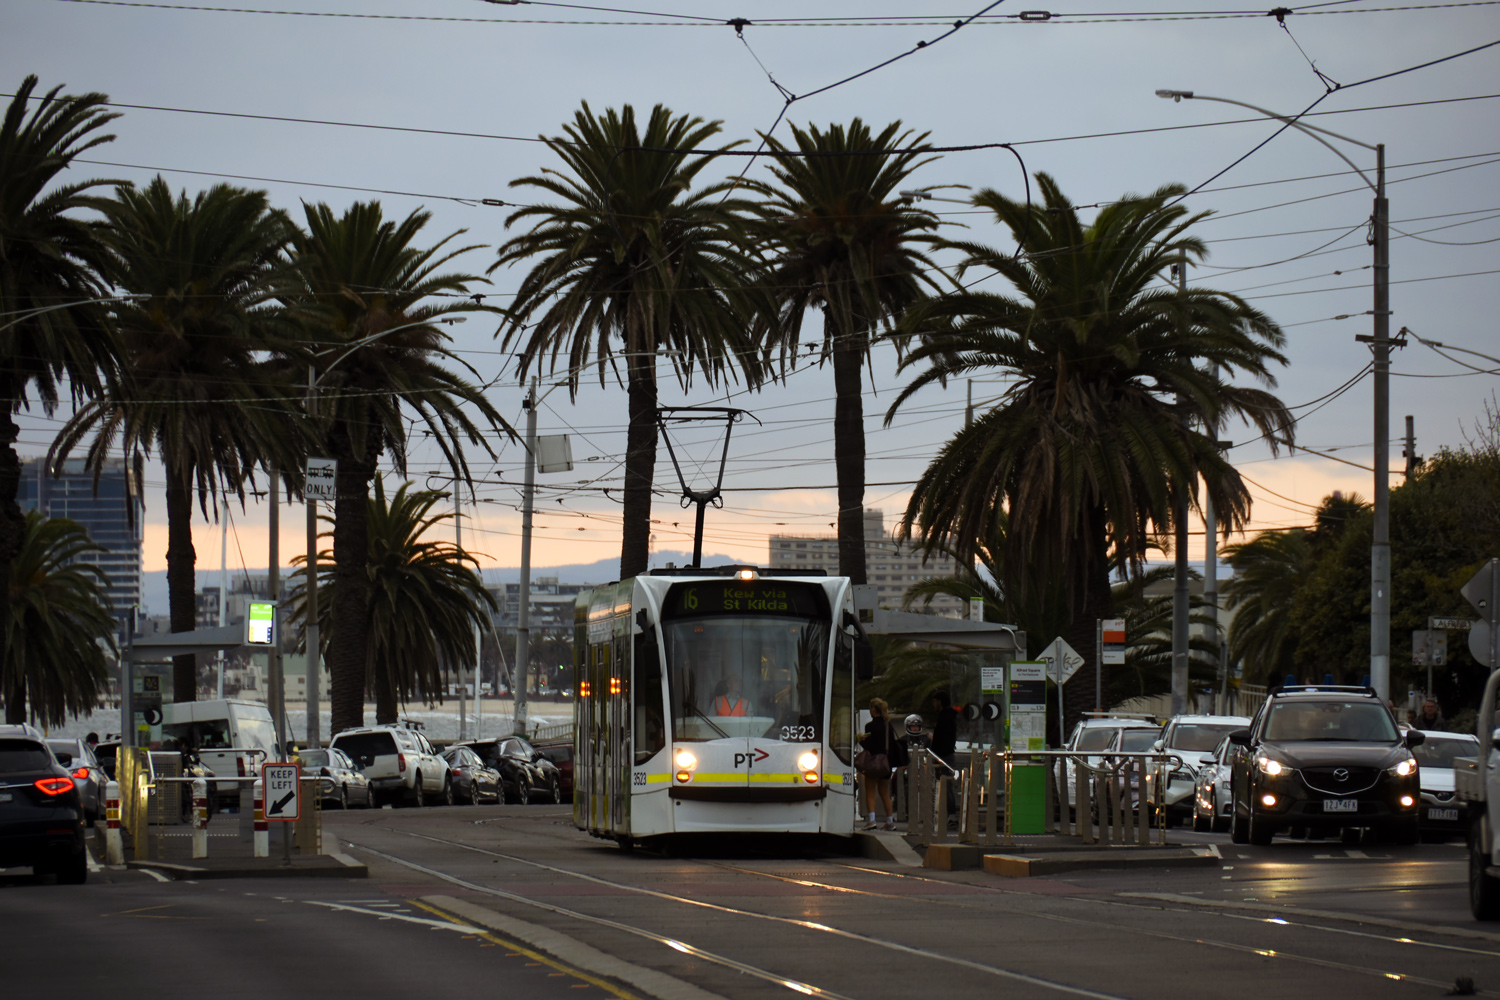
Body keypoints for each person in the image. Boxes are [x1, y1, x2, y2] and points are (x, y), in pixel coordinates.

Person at [861, 698, 897, 831]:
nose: (870, 710)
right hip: (886, 763)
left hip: (873, 763)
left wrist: (861, 740)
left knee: (870, 791)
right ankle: (890, 820)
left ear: (875, 710)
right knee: (884, 792)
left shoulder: (869, 726)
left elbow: (869, 746)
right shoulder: (888, 725)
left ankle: (871, 820)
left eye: (871, 708)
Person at [931, 692, 960, 821]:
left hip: (943, 756)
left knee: (946, 785)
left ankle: (951, 815)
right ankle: (947, 814)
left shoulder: (945, 718)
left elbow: (943, 738)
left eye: (935, 701)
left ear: (940, 702)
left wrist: (934, 745)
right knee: (944, 785)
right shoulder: (948, 716)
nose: (934, 704)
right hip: (943, 754)